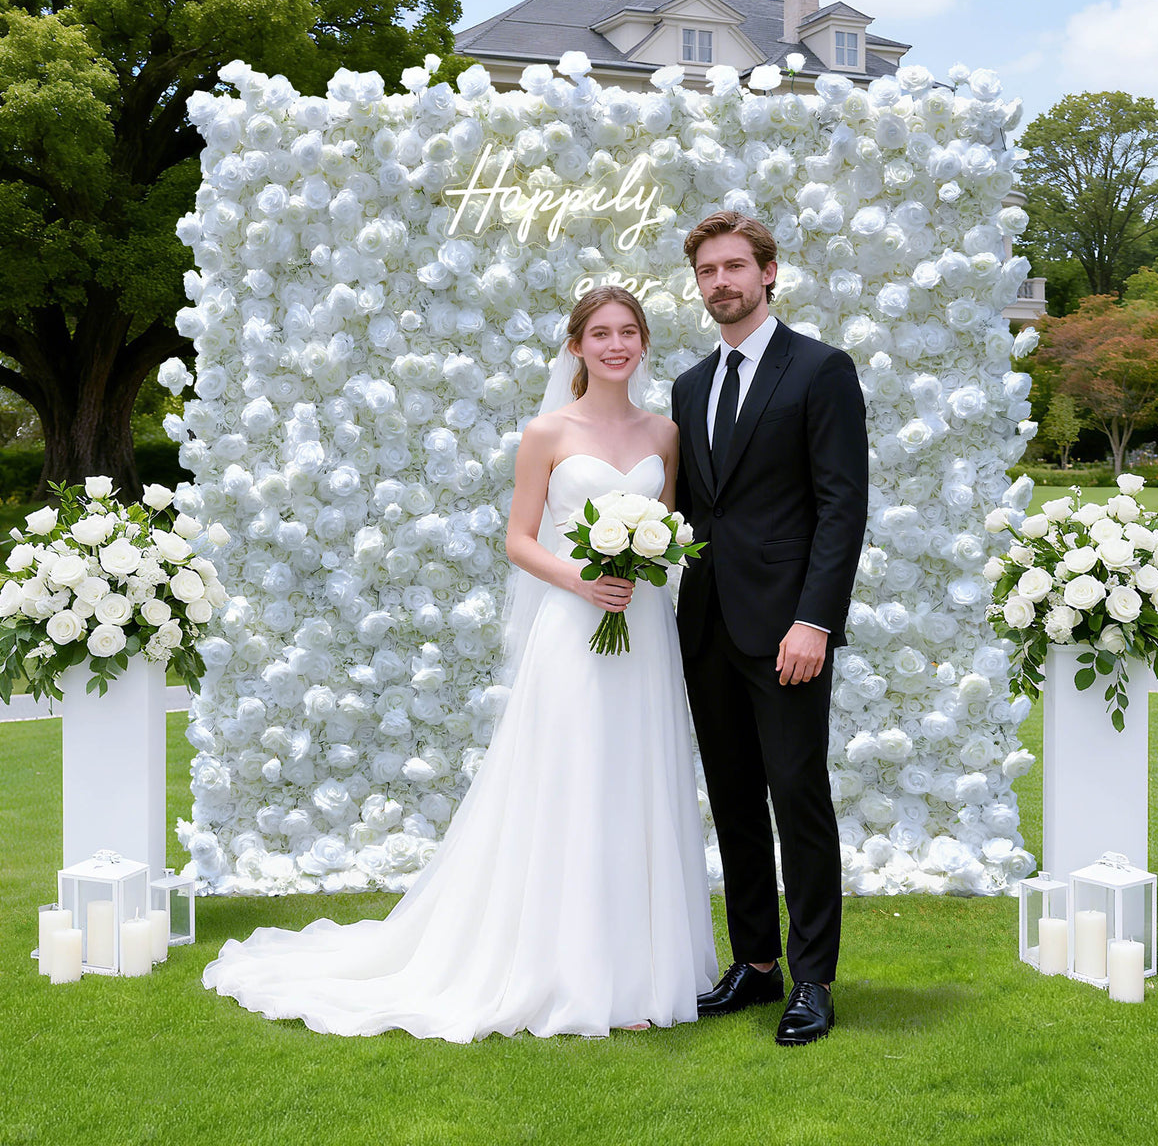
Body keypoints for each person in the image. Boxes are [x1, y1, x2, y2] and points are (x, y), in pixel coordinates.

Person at [203, 286, 718, 1040]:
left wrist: (646, 561)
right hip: (574, 623)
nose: (616, 345)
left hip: (642, 628)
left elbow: (669, 527)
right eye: (600, 333)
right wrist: (580, 578)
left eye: (629, 332)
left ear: (643, 344)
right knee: (572, 781)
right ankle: (564, 970)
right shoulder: (548, 431)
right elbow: (519, 538)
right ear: (575, 347)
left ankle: (642, 973)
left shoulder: (665, 434)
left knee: (639, 778)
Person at [670, 211, 868, 1046]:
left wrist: (814, 620)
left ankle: (813, 980)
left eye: (735, 268)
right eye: (708, 271)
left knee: (798, 797)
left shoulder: (820, 370)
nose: (722, 283)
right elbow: (691, 508)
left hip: (789, 632)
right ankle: (755, 968)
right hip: (707, 628)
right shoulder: (688, 386)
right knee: (734, 802)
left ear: (770, 273)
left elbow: (840, 506)